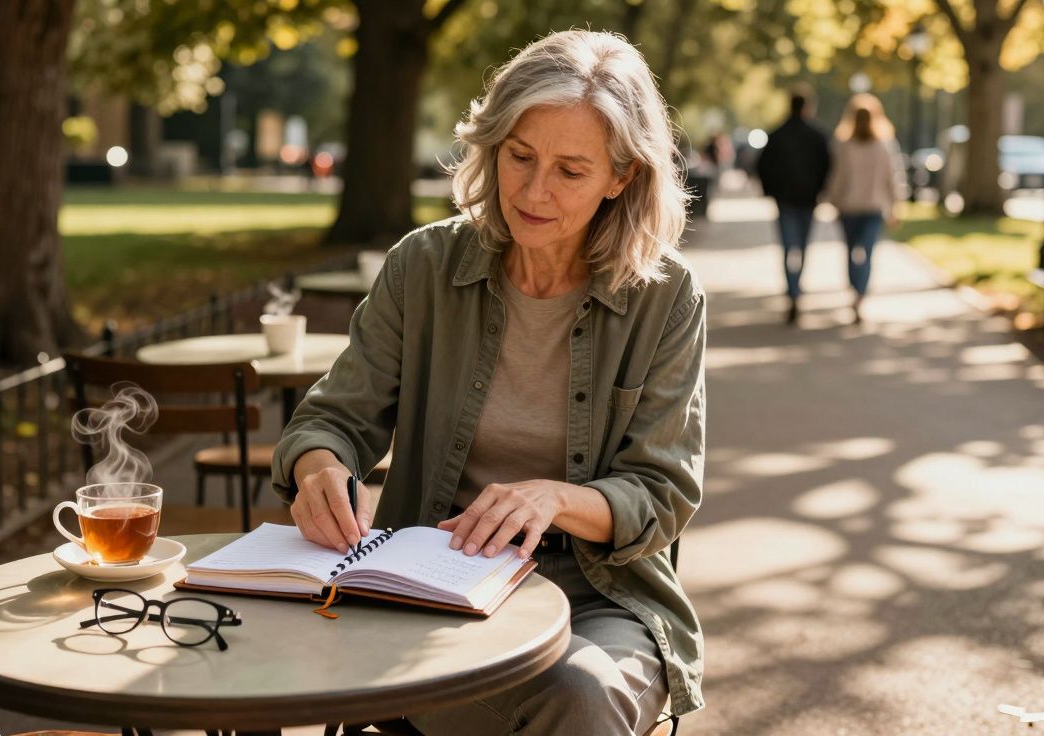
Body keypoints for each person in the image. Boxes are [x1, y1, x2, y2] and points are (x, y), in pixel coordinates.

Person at [271, 29, 706, 736]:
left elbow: (661, 493)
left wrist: (555, 499)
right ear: (492, 145)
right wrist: (320, 465)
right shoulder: (424, 267)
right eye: (520, 157)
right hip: (430, 584)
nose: (534, 192)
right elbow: (332, 420)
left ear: (620, 176)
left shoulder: (667, 297)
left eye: (570, 171)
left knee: (580, 694)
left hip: (599, 596)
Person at [824, 93, 904, 324]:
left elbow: (838, 177)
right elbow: (894, 178)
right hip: (873, 208)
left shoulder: (845, 145)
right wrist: (895, 207)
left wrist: (833, 200)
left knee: (851, 252)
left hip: (850, 207)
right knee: (867, 253)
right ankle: (860, 293)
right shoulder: (883, 145)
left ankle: (855, 289)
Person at [756, 86, 831, 324]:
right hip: (808, 200)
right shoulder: (818, 135)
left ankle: (793, 292)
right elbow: (827, 166)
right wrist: (820, 190)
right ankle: (797, 288)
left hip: (785, 200)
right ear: (807, 107)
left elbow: (762, 166)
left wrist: (770, 191)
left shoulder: (777, 134)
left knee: (789, 248)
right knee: (803, 247)